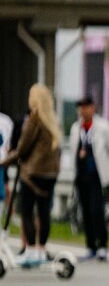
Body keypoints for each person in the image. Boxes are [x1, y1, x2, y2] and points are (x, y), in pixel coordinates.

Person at [1, 84, 63, 267]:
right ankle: (41, 249)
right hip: (50, 175)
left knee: (27, 211)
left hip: (32, 174)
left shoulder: (34, 120)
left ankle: (29, 250)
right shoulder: (52, 121)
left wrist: (4, 162)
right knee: (44, 212)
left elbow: (22, 149)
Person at [67, 96, 109, 261]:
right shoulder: (76, 128)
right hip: (82, 175)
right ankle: (90, 245)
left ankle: (102, 245)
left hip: (97, 176)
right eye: (81, 107)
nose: (83, 110)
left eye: (86, 106)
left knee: (96, 210)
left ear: (93, 108)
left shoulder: (104, 127)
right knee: (85, 211)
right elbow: (72, 150)